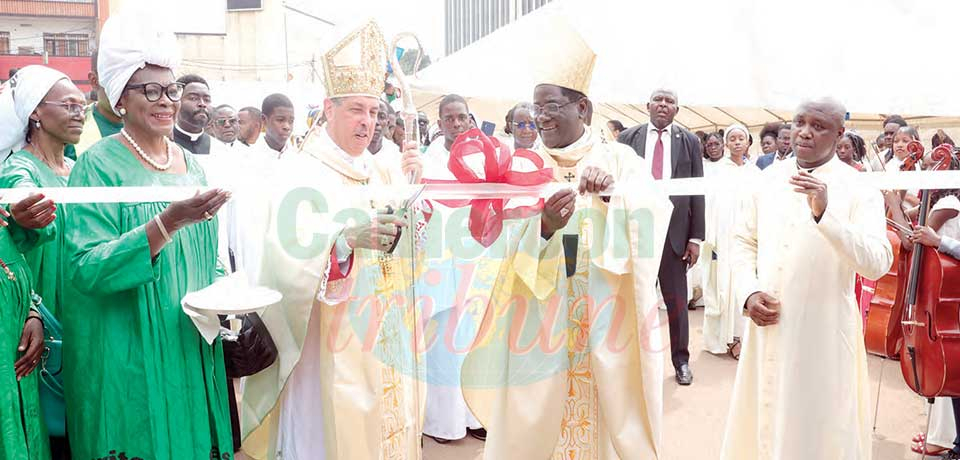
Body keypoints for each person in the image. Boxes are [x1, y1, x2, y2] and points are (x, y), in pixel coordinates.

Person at [463, 37, 671, 459]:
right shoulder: (520, 166)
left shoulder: (619, 159)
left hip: (603, 320)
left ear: (583, 109)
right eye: (536, 107)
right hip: (539, 326)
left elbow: (654, 215)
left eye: (551, 106)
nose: (540, 117)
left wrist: (613, 197)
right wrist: (543, 228)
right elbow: (496, 251)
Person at [240, 20, 425, 460]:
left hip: (379, 330)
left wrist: (413, 190)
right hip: (325, 344)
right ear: (328, 108)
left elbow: (409, 240)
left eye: (375, 112)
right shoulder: (301, 172)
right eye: (357, 110)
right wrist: (342, 241)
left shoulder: (380, 169)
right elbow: (284, 252)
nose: (368, 123)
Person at [63, 12, 233, 459]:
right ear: (120, 97)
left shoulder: (191, 164)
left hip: (188, 342)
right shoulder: (96, 166)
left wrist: (227, 296)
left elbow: (208, 254)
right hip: (128, 348)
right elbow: (84, 267)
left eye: (171, 89)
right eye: (150, 90)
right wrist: (165, 224)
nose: (166, 101)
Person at [719, 97, 892, 460]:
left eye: (819, 125)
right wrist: (748, 292)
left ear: (840, 133)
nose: (805, 132)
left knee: (818, 430)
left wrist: (826, 213)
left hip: (824, 336)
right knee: (762, 424)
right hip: (767, 328)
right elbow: (741, 241)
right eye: (800, 122)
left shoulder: (859, 189)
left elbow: (878, 262)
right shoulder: (765, 181)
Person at [0, 64, 73, 460]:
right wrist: (25, 210)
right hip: (41, 318)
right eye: (68, 104)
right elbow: (22, 199)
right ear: (36, 114)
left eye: (83, 105)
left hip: (79, 308)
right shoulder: (20, 169)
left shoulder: (78, 171)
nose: (80, 112)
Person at [618, 88, 705, 385]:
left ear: (677, 110)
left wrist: (696, 237)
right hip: (636, 231)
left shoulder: (690, 141)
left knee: (677, 302)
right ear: (647, 105)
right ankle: (629, 362)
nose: (663, 105)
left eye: (670, 101)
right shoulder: (627, 139)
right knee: (632, 299)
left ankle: (681, 361)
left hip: (674, 234)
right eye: (658, 100)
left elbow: (697, 189)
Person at [700, 125, 759, 360]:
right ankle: (722, 338)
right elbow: (709, 205)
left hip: (747, 239)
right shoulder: (716, 172)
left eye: (741, 138)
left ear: (748, 142)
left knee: (743, 286)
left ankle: (740, 339)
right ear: (726, 143)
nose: (736, 142)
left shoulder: (755, 173)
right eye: (732, 139)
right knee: (721, 288)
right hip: (721, 240)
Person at [64, 50, 124, 160]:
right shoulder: (71, 129)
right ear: (94, 80)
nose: (123, 87)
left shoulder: (156, 129)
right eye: (115, 78)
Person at [172, 74, 212, 155]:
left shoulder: (220, 150)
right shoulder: (160, 144)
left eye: (207, 99)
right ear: (177, 102)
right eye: (193, 98)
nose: (202, 104)